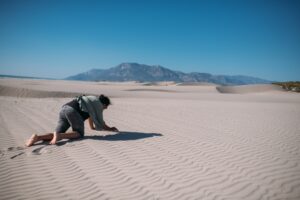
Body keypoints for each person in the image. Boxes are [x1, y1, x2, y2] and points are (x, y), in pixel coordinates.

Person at [26, 94, 119, 147]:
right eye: (106, 107)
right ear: (103, 104)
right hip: (74, 112)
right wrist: (110, 129)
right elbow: (101, 122)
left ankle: (37, 137)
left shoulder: (91, 102)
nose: (105, 109)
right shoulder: (98, 105)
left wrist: (92, 127)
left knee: (55, 133)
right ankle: (60, 136)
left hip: (65, 109)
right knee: (79, 133)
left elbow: (91, 118)